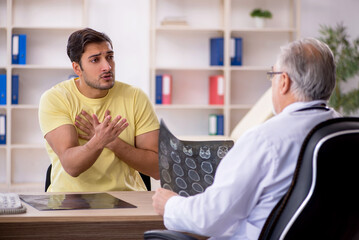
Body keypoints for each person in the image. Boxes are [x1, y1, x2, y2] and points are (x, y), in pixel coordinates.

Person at [152, 38, 341, 239]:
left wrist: (170, 204)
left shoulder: (265, 140)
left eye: (273, 75)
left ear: (284, 82)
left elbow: (209, 218)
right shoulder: (345, 132)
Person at [38, 28, 160, 192]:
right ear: (77, 68)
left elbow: (158, 169)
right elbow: (72, 166)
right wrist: (99, 140)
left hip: (128, 198)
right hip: (70, 201)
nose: (107, 66)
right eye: (95, 60)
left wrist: (113, 143)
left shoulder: (135, 97)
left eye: (110, 57)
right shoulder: (56, 98)